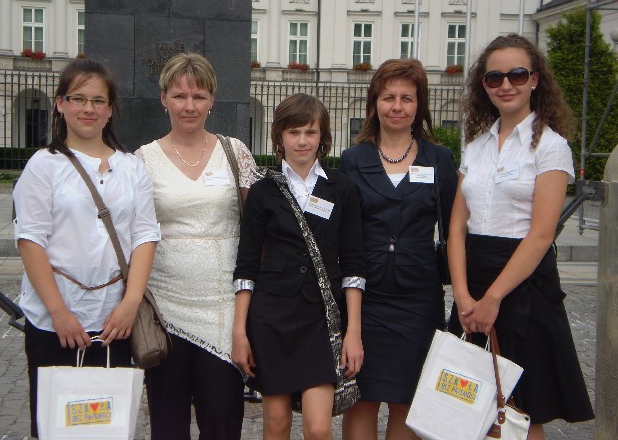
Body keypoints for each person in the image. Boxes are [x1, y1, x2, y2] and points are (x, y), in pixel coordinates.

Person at [447, 33, 594, 440]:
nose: (506, 84)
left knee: (522, 414)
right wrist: (463, 295)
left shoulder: (551, 146)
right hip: (473, 284)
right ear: (484, 85)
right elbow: (456, 228)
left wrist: (493, 298)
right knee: (466, 408)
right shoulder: (475, 146)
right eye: (494, 77)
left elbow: (542, 234)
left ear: (534, 80)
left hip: (523, 283)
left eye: (517, 74)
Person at [13, 59, 160, 439]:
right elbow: (31, 240)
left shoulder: (131, 168)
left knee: (106, 427)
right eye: (78, 99)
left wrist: (130, 304)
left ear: (110, 110)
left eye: (98, 101)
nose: (88, 109)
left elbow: (145, 235)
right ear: (60, 103)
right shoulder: (43, 166)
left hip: (114, 321)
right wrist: (58, 312)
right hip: (57, 322)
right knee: (56, 427)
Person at [135, 52, 257, 440]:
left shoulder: (234, 152)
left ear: (212, 101)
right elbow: (133, 235)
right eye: (180, 95)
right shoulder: (142, 160)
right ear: (164, 99)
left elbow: (258, 228)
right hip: (165, 310)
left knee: (222, 423)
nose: (189, 105)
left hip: (223, 310)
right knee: (168, 426)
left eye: (199, 96)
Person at [232, 93, 366, 440]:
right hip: (272, 317)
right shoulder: (263, 191)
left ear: (323, 136)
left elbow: (354, 264)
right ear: (279, 136)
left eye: (310, 131)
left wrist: (353, 332)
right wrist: (239, 331)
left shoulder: (342, 188)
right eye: (293, 132)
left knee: (318, 428)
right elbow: (246, 266)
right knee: (276, 423)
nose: (302, 141)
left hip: (320, 318)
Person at [339, 59, 458, 440]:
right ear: (374, 103)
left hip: (418, 299)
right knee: (361, 397)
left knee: (407, 401)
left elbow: (455, 230)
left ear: (419, 105)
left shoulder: (439, 159)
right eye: (388, 97)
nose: (397, 106)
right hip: (365, 297)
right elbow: (342, 233)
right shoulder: (352, 160)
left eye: (407, 98)